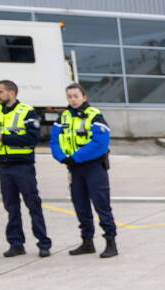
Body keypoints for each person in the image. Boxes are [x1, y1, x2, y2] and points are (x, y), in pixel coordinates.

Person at [50, 83, 118, 258]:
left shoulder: (94, 116)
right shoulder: (62, 118)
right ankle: (87, 242)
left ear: (84, 97)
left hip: (94, 168)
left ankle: (111, 242)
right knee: (80, 206)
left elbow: (100, 143)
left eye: (75, 96)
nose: (72, 100)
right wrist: (62, 157)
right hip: (74, 169)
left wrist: (76, 157)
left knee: (102, 206)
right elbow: (54, 141)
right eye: (69, 96)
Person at [0, 80, 50, 257]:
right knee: (11, 207)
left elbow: (32, 137)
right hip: (3, 166)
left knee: (33, 205)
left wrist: (2, 138)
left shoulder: (27, 111)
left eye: (0, 91)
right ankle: (16, 243)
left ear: (11, 93)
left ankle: (43, 243)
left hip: (23, 165)